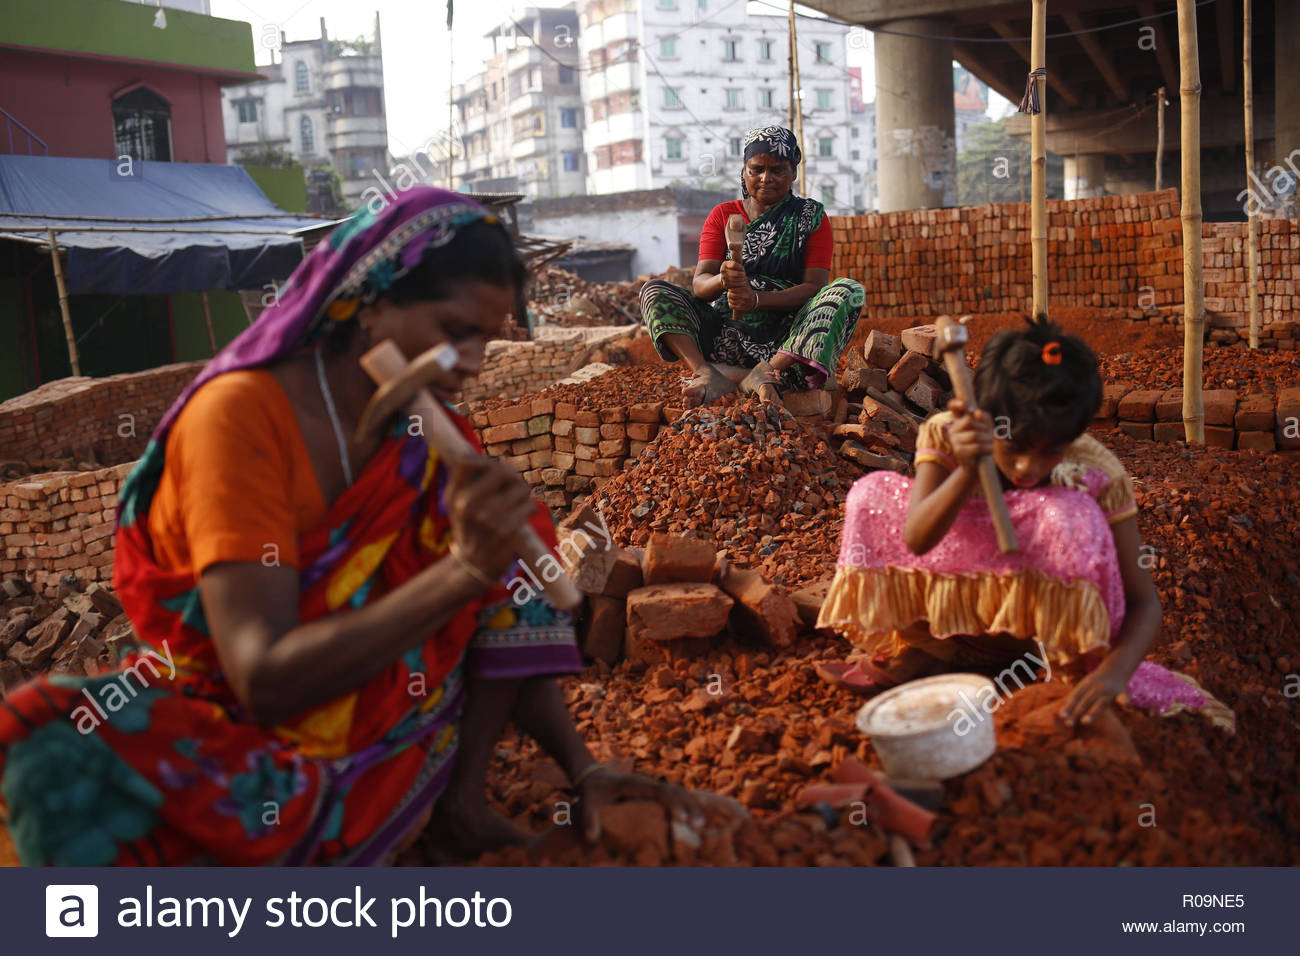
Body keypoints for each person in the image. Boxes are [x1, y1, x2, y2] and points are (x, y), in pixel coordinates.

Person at [0, 187, 702, 866]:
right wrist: (461, 571)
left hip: (384, 721)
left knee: (519, 548)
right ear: (368, 306)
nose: (473, 365)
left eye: (487, 340)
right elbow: (262, 679)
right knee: (51, 745)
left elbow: (506, 592)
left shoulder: (424, 432)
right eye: (454, 332)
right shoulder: (239, 417)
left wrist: (582, 770)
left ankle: (459, 809)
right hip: (241, 723)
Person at [816, 318, 1231, 729]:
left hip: (1033, 642)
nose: (1027, 466)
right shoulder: (950, 434)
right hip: (953, 627)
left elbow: (1145, 603)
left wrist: (1113, 675)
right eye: (1012, 445)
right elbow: (919, 538)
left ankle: (1050, 667)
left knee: (1068, 515)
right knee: (871, 494)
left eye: (1051, 451)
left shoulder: (1095, 471)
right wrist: (967, 469)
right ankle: (931, 648)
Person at [639, 125, 864, 408]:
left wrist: (757, 300)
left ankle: (766, 372)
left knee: (848, 291)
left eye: (777, 170)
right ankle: (707, 372)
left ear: (793, 171)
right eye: (756, 169)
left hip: (785, 338)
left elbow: (814, 286)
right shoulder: (723, 215)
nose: (765, 178)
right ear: (744, 170)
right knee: (654, 291)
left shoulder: (810, 217)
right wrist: (722, 280)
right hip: (723, 336)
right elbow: (700, 286)